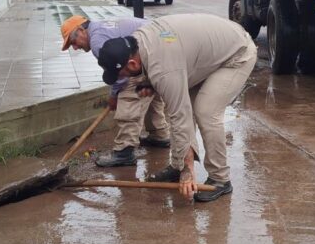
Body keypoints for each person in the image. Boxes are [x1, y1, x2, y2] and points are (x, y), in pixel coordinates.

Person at [97, 14, 257, 202]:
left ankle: (220, 179)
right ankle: (177, 166)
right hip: (207, 55)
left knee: (205, 112)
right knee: (182, 104)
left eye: (121, 73)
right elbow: (161, 66)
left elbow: (179, 115)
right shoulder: (139, 40)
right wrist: (149, 82)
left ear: (132, 63)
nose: (123, 78)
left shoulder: (163, 69)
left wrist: (188, 170)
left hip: (237, 55)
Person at [60, 15, 170, 167]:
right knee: (150, 93)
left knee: (129, 97)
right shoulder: (101, 26)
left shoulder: (98, 42)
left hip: (148, 51)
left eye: (73, 42)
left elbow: (120, 75)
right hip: (161, 46)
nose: (75, 47)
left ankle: (124, 151)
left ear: (81, 30)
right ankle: (159, 135)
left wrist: (114, 96)